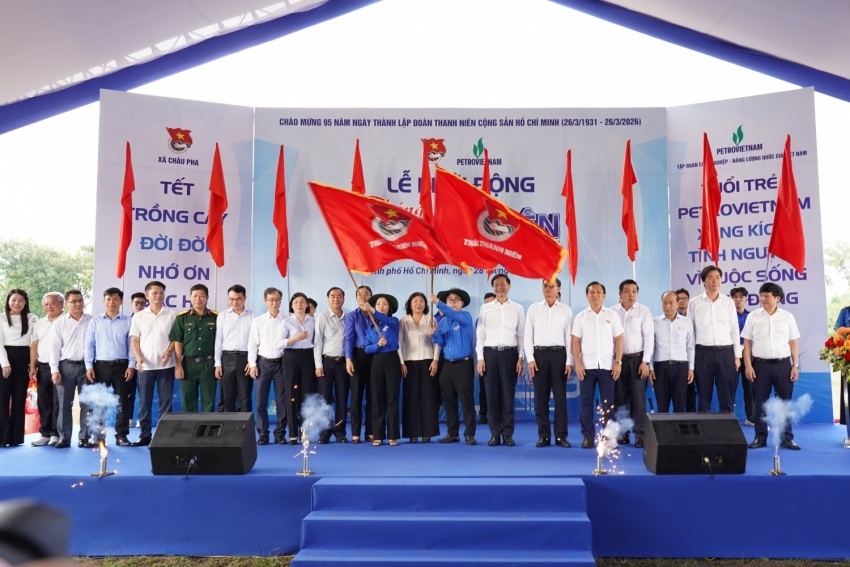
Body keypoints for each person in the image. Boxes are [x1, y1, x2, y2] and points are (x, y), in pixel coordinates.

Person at [743, 282, 801, 450]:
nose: (763, 299)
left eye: (767, 296)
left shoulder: (787, 317)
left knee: (785, 403)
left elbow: (793, 343)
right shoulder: (753, 316)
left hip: (784, 365)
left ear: (778, 298)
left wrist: (795, 365)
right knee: (759, 403)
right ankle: (760, 438)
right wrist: (748, 365)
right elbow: (747, 344)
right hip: (760, 366)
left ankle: (787, 438)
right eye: (761, 296)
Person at [572, 281, 624, 449]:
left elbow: (619, 339)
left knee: (608, 404)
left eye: (598, 292)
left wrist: (618, 362)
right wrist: (578, 363)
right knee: (586, 404)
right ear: (587, 295)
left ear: (604, 295)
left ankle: (608, 437)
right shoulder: (580, 317)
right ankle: (588, 437)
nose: (595, 295)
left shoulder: (612, 315)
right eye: (592, 292)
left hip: (607, 367)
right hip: (586, 367)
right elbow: (575, 341)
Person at [476, 274, 524, 447]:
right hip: (490, 355)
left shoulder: (517, 308)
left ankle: (508, 434)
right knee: (492, 397)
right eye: (496, 284)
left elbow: (521, 334)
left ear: (509, 286)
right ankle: (495, 434)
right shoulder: (486, 308)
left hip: (510, 355)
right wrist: (480, 358)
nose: (499, 287)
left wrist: (521, 357)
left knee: (508, 397)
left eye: (502, 284)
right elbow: (480, 334)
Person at [524, 278, 573, 448]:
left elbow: (569, 338)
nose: (548, 289)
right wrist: (530, 359)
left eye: (551, 286)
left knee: (560, 398)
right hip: (539, 356)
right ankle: (544, 436)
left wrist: (569, 361)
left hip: (559, 355)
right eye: (545, 286)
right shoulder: (534, 309)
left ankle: (561, 436)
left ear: (559, 288)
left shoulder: (566, 310)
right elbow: (527, 336)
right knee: (540, 399)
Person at [83, 288, 135, 446]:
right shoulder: (96, 321)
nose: (112, 302)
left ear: (121, 301)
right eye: (108, 299)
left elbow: (132, 346)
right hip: (100, 367)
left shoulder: (128, 321)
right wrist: (89, 366)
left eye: (115, 299)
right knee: (99, 402)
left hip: (122, 366)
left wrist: (131, 365)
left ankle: (121, 435)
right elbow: (89, 344)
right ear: (104, 301)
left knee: (122, 402)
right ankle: (99, 436)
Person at [129, 280, 176, 446]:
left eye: (161, 293)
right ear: (147, 295)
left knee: (166, 403)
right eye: (154, 292)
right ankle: (144, 435)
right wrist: (138, 358)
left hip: (166, 365)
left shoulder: (171, 315)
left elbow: (175, 339)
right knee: (144, 403)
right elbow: (134, 340)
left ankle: (165, 437)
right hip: (145, 366)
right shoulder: (139, 316)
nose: (158, 295)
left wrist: (168, 352)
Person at [687, 265, 741, 413]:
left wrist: (737, 356)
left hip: (725, 353)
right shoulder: (694, 303)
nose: (715, 281)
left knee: (726, 394)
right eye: (710, 278)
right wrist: (691, 360)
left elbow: (734, 330)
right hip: (703, 353)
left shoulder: (728, 302)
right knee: (703, 393)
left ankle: (726, 424)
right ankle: (704, 426)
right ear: (704, 281)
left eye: (718, 278)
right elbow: (690, 333)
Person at [611, 279, 654, 448]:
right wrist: (615, 361)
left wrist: (645, 362)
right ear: (620, 293)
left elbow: (649, 338)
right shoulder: (612, 312)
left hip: (638, 360)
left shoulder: (644, 311)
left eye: (634, 291)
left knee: (638, 399)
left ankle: (640, 434)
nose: (631, 294)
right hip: (618, 361)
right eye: (627, 291)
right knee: (620, 398)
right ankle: (622, 433)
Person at [48, 290, 93, 448]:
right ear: (66, 304)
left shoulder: (92, 320)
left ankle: (85, 437)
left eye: (80, 300)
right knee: (64, 404)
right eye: (73, 301)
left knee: (87, 404)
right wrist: (54, 370)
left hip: (87, 367)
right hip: (65, 367)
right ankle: (64, 437)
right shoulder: (59, 323)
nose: (77, 304)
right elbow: (54, 348)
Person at [432, 288, 475, 445]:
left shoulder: (465, 316)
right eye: (450, 300)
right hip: (447, 365)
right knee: (449, 401)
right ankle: (452, 433)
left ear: (462, 303)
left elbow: (452, 313)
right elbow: (442, 343)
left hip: (463, 364)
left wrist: (438, 303)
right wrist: (434, 334)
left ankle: (469, 434)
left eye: (456, 300)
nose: (453, 302)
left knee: (466, 401)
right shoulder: (443, 322)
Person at [398, 292, 440, 443]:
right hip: (409, 362)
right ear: (410, 304)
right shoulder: (403, 321)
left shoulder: (431, 320)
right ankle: (412, 433)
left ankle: (428, 432)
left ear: (425, 304)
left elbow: (437, 342)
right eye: (415, 301)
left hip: (428, 361)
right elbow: (398, 343)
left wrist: (435, 360)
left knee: (428, 397)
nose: (418, 303)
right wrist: (401, 362)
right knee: (411, 397)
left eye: (421, 301)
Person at [361, 293, 401, 446]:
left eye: (384, 304)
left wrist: (372, 310)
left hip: (392, 360)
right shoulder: (371, 327)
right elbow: (367, 348)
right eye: (378, 304)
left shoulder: (393, 322)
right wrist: (377, 345)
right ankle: (378, 435)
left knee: (392, 399)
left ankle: (393, 435)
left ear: (389, 307)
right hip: (377, 361)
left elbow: (386, 320)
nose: (381, 306)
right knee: (377, 399)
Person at [0, 289, 38, 447]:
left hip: (23, 359)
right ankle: (2, 438)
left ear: (25, 302)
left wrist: (32, 365)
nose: (17, 303)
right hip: (4, 358)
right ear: (8, 301)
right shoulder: (1, 318)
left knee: (19, 399)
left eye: (21, 300)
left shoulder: (32, 318)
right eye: (14, 300)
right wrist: (5, 363)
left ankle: (15, 438)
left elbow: (34, 342)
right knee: (2, 399)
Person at [171, 284, 217, 413]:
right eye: (195, 296)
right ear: (190, 297)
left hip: (209, 364)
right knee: (188, 401)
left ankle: (206, 426)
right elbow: (178, 342)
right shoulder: (182, 317)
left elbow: (219, 342)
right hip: (188, 364)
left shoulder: (216, 317)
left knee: (209, 400)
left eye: (201, 296)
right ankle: (189, 426)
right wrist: (178, 365)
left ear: (207, 297)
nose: (198, 299)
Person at [248, 287, 286, 444]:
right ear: (265, 301)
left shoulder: (287, 320)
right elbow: (252, 344)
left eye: (277, 300)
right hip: (263, 363)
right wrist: (252, 364)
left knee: (282, 401)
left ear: (281, 301)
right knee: (260, 401)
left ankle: (280, 434)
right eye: (271, 300)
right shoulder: (258, 321)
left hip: (282, 364)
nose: (274, 303)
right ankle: (263, 434)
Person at [277, 292, 315, 444]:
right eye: (296, 302)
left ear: (306, 305)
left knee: (306, 395)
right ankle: (292, 433)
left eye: (302, 301)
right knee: (291, 395)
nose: (299, 304)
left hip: (308, 357)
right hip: (291, 357)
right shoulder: (286, 322)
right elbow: (278, 343)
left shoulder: (313, 321)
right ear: (292, 306)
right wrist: (295, 338)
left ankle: (305, 432)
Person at [313, 287, 348, 443]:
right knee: (325, 399)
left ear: (343, 299)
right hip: (326, 363)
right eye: (332, 296)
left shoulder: (348, 318)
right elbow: (317, 343)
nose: (336, 299)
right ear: (328, 299)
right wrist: (318, 365)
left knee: (342, 398)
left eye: (339, 296)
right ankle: (324, 433)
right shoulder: (322, 317)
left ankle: (340, 432)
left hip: (343, 363)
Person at [649, 291, 695, 413]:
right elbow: (651, 348)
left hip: (681, 368)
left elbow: (690, 347)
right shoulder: (654, 322)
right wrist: (651, 368)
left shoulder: (686, 322)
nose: (667, 306)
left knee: (680, 406)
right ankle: (662, 427)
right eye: (665, 303)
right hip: (660, 368)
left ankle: (679, 426)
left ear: (677, 304)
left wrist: (691, 368)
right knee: (662, 406)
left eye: (671, 303)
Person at [29, 292, 64, 446]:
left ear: (62, 304)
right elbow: (34, 345)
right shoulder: (39, 323)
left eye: (53, 303)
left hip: (61, 366)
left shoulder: (67, 320)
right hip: (43, 366)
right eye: (46, 304)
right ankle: (45, 433)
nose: (49, 307)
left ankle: (56, 433)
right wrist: (33, 366)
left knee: (58, 401)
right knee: (43, 400)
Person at [215, 284, 256, 413]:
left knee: (245, 398)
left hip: (246, 359)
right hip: (226, 359)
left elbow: (255, 341)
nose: (234, 302)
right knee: (227, 397)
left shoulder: (254, 316)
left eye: (238, 298)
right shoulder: (222, 316)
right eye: (231, 299)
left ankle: (245, 425)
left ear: (245, 298)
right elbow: (218, 340)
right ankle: (228, 425)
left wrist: (252, 362)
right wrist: (218, 363)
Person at [344, 285, 374, 443]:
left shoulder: (377, 314)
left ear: (371, 297)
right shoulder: (352, 316)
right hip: (357, 355)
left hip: (374, 355)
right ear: (356, 298)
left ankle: (371, 430)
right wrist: (348, 359)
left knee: (373, 395)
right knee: (356, 395)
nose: (364, 297)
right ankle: (355, 432)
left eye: (367, 294)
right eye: (360, 294)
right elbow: (348, 338)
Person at [730, 287, 755, 426]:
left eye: (741, 297)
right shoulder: (728, 315)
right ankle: (729, 417)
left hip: (749, 354)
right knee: (731, 386)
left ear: (746, 299)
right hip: (732, 354)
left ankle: (751, 417)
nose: (738, 299)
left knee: (750, 387)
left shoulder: (752, 316)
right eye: (735, 297)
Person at [675, 288, 696, 411]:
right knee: (683, 389)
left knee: (693, 389)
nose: (682, 301)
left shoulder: (694, 315)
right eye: (679, 299)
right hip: (680, 360)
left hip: (697, 356)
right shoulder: (672, 317)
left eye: (685, 299)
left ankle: (692, 416)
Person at [476, 292, 496, 424]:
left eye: (491, 302)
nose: (488, 305)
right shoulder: (479, 320)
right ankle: (483, 414)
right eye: (486, 303)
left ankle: (497, 414)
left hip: (498, 355)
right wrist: (479, 358)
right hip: (484, 357)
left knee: (499, 388)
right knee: (484, 388)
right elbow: (478, 340)